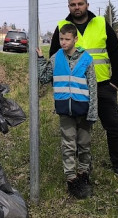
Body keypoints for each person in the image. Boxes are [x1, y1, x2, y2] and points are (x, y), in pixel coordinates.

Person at [49, 0, 118, 182]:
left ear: (87, 5)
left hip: (103, 85)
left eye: (80, 4)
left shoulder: (101, 23)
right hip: (76, 88)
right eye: (73, 5)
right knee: (80, 131)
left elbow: (115, 51)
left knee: (113, 125)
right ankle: (83, 170)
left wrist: (116, 80)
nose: (77, 7)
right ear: (69, 7)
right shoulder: (63, 27)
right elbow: (54, 58)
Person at [37, 25, 98, 198]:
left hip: (84, 109)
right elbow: (44, 78)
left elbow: (93, 88)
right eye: (61, 39)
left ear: (75, 40)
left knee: (84, 144)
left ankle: (84, 174)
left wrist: (92, 112)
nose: (63, 42)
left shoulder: (87, 59)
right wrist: (41, 59)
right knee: (68, 145)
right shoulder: (56, 58)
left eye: (67, 39)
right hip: (65, 110)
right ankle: (72, 180)